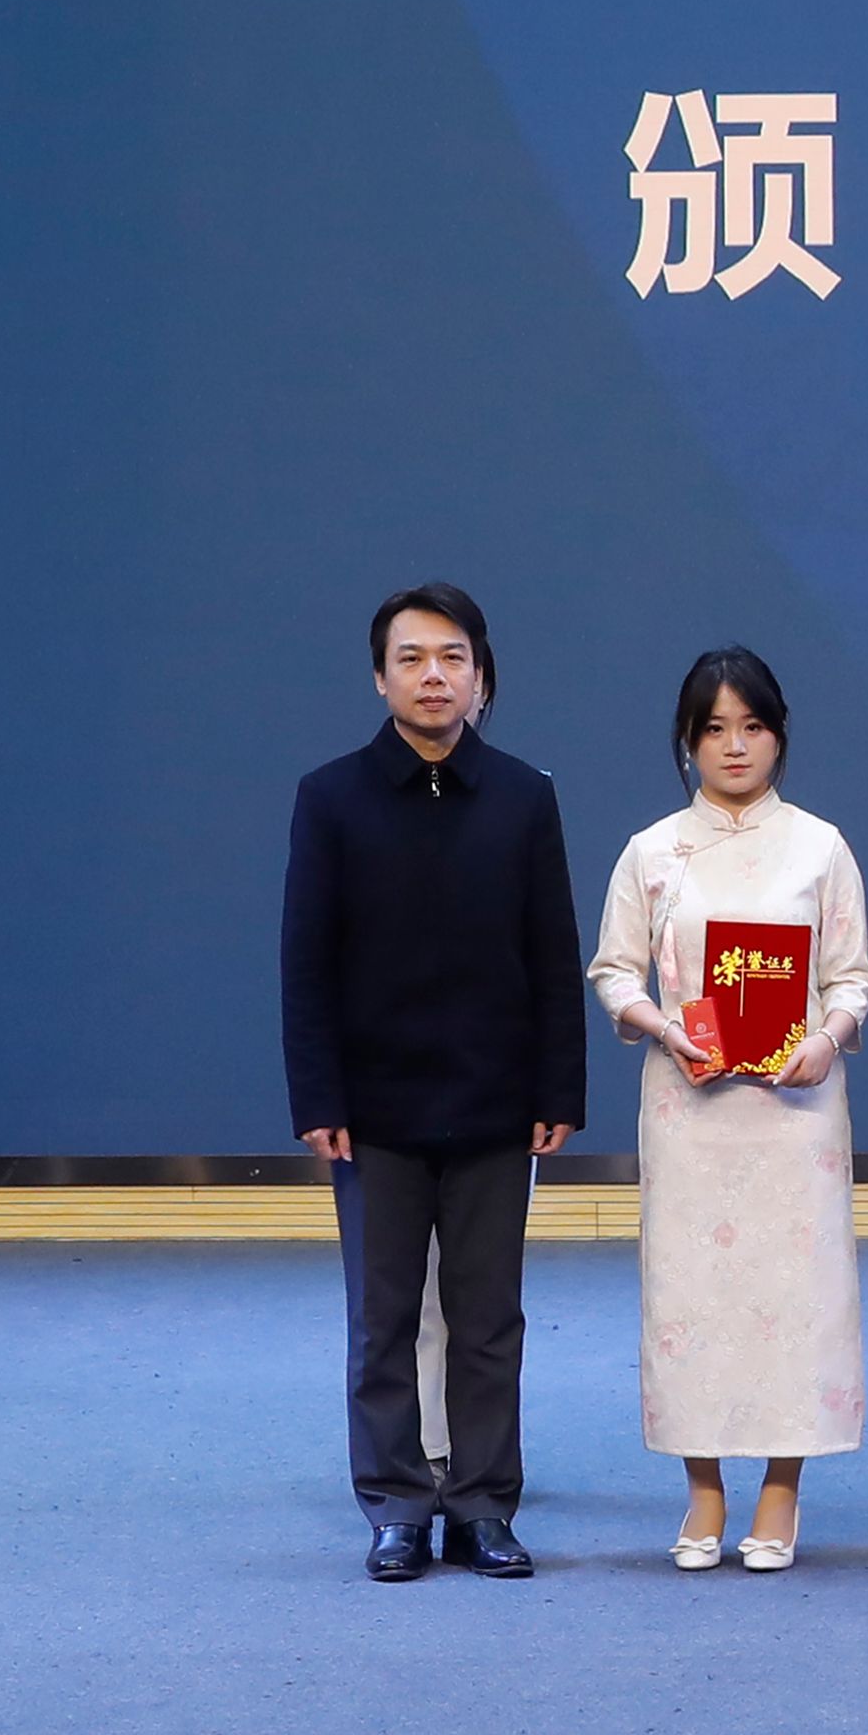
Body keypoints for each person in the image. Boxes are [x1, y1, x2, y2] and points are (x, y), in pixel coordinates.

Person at [281, 581, 586, 1582]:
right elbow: (305, 963)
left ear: (481, 678)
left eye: (453, 657)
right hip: (373, 1112)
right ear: (380, 678)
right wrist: (319, 1099)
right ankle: (397, 1507)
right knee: (383, 1322)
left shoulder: (524, 796)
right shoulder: (331, 798)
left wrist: (560, 1089)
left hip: (497, 1106)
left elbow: (552, 954)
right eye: (411, 658)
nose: (433, 676)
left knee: (488, 1320)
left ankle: (484, 1506)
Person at [585, 647, 868, 1575]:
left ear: (779, 736)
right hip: (692, 1109)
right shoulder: (652, 851)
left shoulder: (820, 847)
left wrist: (827, 1038)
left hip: (796, 1111)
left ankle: (782, 1488)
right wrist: (662, 1027)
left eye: (752, 727)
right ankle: (703, 1487)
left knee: (796, 1295)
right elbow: (613, 971)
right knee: (692, 1296)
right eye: (714, 729)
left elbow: (852, 977)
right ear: (687, 741)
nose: (735, 746)